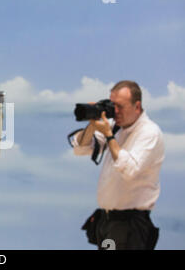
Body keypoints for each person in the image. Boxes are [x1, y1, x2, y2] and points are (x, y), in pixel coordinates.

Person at [70, 80, 165, 250]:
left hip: (129, 224)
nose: (115, 112)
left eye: (120, 106)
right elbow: (81, 149)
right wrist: (92, 124)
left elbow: (129, 170)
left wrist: (108, 135)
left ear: (137, 106)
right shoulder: (116, 127)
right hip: (108, 221)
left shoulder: (149, 132)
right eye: (113, 105)